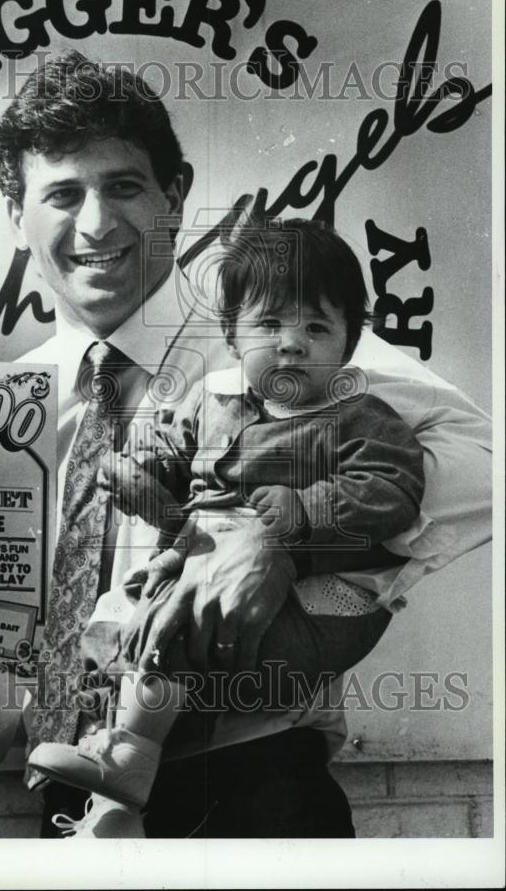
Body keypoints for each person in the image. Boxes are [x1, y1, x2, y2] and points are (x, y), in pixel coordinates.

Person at [0, 50, 492, 839]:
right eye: (62, 194)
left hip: (256, 801)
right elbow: (11, 717)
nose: (97, 224)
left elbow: (482, 467)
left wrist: (278, 532)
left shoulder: (268, 345)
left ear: (173, 196)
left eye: (124, 186)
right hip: (73, 815)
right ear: (16, 217)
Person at [26, 218, 426, 835]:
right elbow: (167, 452)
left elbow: (393, 489)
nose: (292, 343)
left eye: (316, 327)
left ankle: (128, 763)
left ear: (348, 345)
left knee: (181, 632)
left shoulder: (359, 417)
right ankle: (114, 793)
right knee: (123, 613)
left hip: (300, 604)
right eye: (270, 325)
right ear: (234, 337)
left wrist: (306, 512)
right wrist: (139, 475)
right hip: (192, 565)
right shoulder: (210, 401)